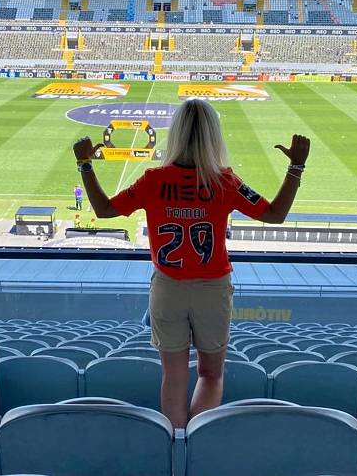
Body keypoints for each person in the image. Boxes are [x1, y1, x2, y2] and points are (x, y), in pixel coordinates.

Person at [73, 98, 310, 428]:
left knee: (173, 378)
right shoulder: (224, 181)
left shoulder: (153, 180)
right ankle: (195, 441)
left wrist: (85, 164)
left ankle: (175, 444)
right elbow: (275, 214)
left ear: (176, 134)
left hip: (167, 288)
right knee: (211, 375)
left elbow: (104, 210)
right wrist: (295, 167)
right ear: (214, 135)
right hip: (212, 289)